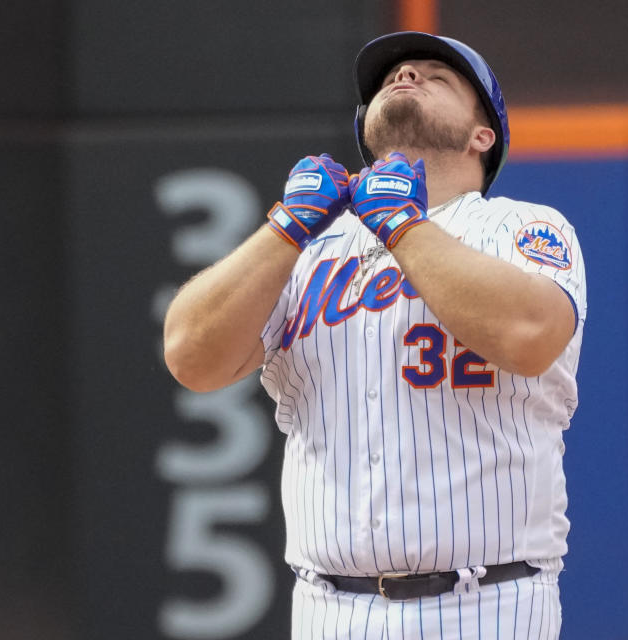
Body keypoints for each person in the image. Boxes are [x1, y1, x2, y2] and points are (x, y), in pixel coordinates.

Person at [164, 31, 586, 640]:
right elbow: (190, 359)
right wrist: (285, 229)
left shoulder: (519, 226)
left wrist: (402, 227)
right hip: (328, 607)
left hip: (485, 601)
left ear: (482, 136)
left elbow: (530, 334)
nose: (406, 75)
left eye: (436, 77)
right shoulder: (309, 251)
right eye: (394, 76)